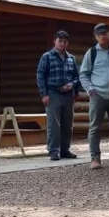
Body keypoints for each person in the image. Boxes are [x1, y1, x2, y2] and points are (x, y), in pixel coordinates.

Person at [80, 23, 109, 169]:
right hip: (98, 95)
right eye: (100, 34)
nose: (103, 36)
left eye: (105, 33)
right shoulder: (92, 53)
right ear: (96, 37)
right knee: (95, 127)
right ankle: (95, 158)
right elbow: (83, 74)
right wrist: (90, 90)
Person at [36, 30, 80, 161]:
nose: (62, 43)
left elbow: (76, 77)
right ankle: (54, 150)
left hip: (68, 94)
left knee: (68, 124)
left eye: (65, 41)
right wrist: (44, 94)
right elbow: (40, 76)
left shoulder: (71, 58)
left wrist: (73, 87)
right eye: (60, 41)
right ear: (54, 41)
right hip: (52, 93)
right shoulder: (47, 56)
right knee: (53, 125)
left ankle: (65, 150)